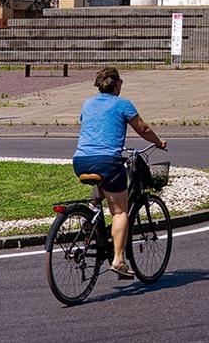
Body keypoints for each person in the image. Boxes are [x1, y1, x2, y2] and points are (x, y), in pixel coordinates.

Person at [73, 67, 167, 279]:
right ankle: (118, 260)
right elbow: (143, 129)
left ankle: (92, 212)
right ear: (116, 84)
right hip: (107, 161)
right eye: (121, 82)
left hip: (80, 160)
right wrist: (158, 142)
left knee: (104, 183)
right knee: (119, 211)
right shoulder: (123, 104)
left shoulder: (87, 103)